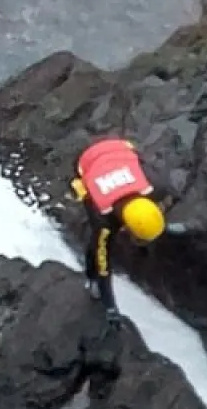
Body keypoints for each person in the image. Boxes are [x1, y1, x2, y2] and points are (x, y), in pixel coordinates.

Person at [70, 136, 183, 317]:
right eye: (139, 239)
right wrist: (110, 307)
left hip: (118, 148)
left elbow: (173, 194)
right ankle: (90, 281)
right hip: (87, 160)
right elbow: (103, 264)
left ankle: (156, 224)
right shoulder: (102, 217)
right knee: (96, 243)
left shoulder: (157, 185)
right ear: (127, 229)